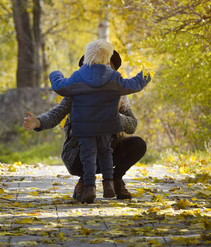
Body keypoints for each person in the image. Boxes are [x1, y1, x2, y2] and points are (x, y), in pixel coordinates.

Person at [23, 44, 149, 203]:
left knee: (138, 144)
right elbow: (58, 112)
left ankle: (115, 180)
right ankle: (85, 181)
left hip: (109, 148)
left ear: (112, 70)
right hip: (79, 152)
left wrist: (108, 113)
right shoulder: (79, 90)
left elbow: (132, 126)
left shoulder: (118, 94)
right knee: (89, 150)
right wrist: (39, 122)